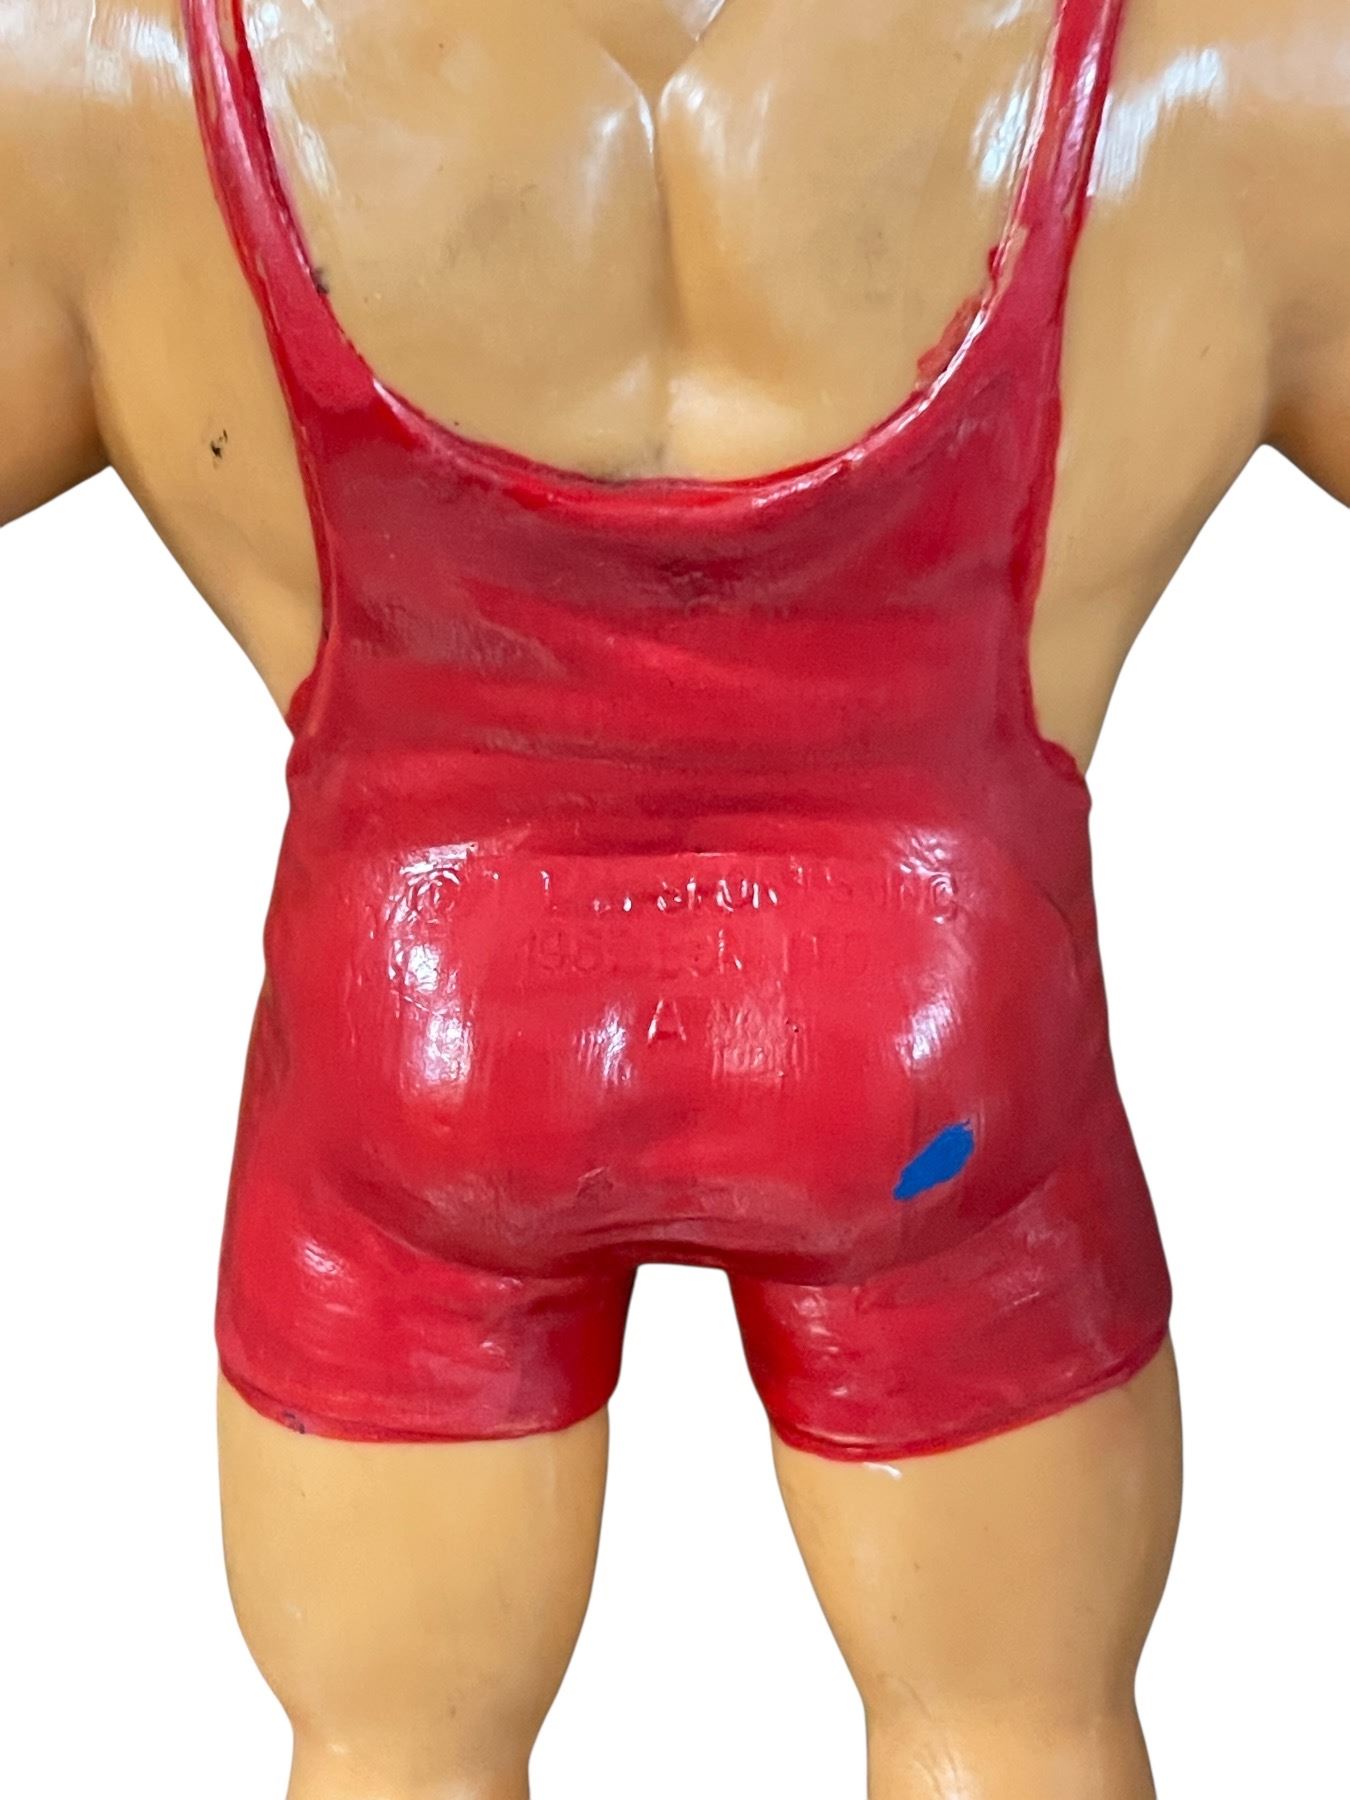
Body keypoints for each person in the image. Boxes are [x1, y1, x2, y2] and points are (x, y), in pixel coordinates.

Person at [1, 2, 1345, 1795]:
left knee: (392, 1751)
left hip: (425, 1033)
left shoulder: (97, 80)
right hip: (933, 1063)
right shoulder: (1241, 66)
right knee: (1015, 1732)